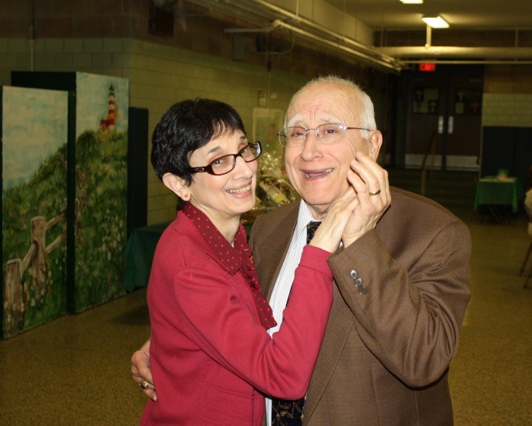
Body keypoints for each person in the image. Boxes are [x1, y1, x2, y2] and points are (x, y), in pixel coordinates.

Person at [132, 76, 472, 425]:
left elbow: (425, 360)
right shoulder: (267, 229)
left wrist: (359, 241)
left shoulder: (431, 232)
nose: (309, 152)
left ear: (372, 145)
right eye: (297, 133)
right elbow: (238, 315)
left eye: (329, 131)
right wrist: (171, 343)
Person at [137, 98, 372, 425]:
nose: (246, 170)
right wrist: (320, 247)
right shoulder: (190, 262)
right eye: (219, 161)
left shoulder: (232, 236)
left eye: (243, 149)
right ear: (179, 184)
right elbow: (283, 376)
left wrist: (163, 344)